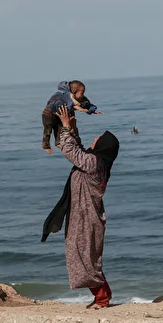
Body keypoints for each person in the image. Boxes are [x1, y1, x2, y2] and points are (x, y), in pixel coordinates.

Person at [41, 106, 119, 309]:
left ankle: (102, 298)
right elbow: (79, 150)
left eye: (98, 139)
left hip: (85, 216)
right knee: (87, 256)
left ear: (102, 146)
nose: (94, 139)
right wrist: (73, 129)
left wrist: (66, 127)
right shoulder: (97, 162)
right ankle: (103, 294)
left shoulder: (93, 163)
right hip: (85, 214)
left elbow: (70, 151)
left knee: (83, 256)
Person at [41, 80, 101, 154]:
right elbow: (56, 105)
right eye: (82, 93)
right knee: (48, 129)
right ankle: (46, 145)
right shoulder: (61, 96)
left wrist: (92, 110)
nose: (83, 95)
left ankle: (58, 142)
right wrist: (75, 107)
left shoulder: (78, 99)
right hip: (49, 114)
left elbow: (86, 104)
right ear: (74, 92)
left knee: (60, 128)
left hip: (60, 116)